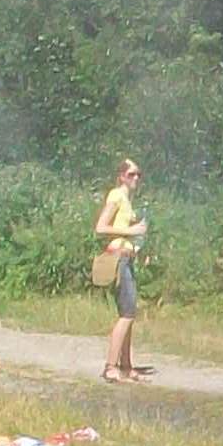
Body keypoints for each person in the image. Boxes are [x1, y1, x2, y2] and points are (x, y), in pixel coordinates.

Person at [96, 159, 147, 383]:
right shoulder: (116, 195)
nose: (135, 178)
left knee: (129, 312)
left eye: (138, 174)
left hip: (127, 257)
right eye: (131, 174)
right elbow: (101, 227)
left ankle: (126, 366)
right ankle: (111, 366)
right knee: (127, 313)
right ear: (121, 176)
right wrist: (131, 231)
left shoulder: (128, 201)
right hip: (118, 258)